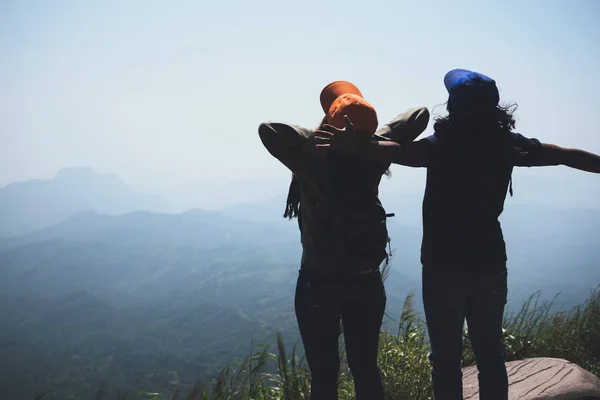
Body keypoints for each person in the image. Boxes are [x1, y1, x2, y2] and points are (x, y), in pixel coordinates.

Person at [315, 69, 600, 400]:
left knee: (446, 361)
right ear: (495, 110)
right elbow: (564, 155)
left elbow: (395, 151)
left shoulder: (441, 146)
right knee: (490, 355)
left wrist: (356, 143)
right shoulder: (508, 146)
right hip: (491, 264)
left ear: (454, 108)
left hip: (442, 267)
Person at [258, 80, 430, 399]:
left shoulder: (310, 160)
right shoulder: (375, 154)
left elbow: (269, 129)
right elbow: (419, 115)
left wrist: (327, 139)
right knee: (365, 369)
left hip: (318, 283)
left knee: (324, 376)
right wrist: (364, 140)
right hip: (365, 281)